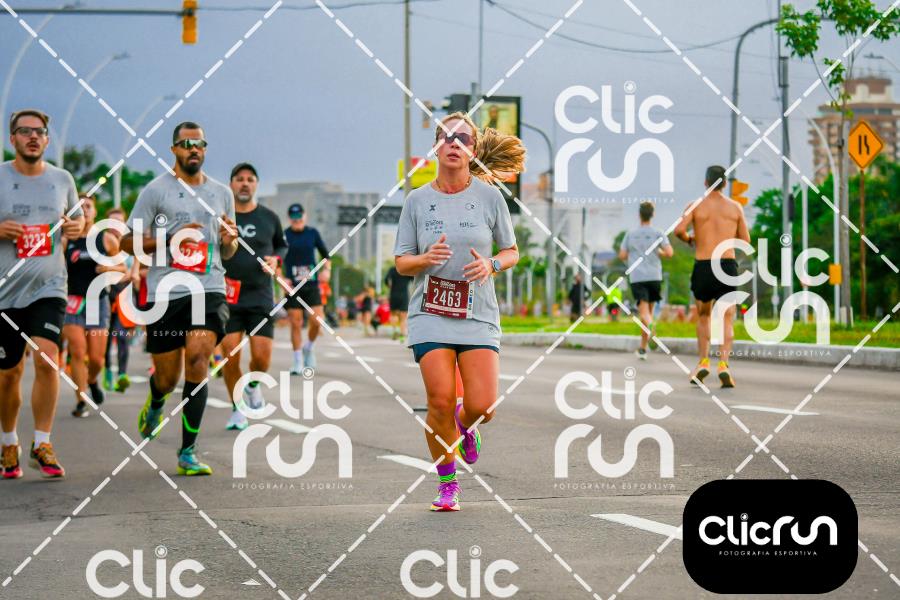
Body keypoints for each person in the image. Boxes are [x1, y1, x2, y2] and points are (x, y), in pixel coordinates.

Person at [394, 112, 523, 511]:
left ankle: (465, 426)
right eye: (446, 136)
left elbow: (511, 251)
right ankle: (447, 482)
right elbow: (401, 262)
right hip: (430, 313)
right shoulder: (417, 200)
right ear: (435, 146)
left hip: (477, 312)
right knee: (440, 400)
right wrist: (424, 259)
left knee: (483, 405)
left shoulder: (490, 197)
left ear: (473, 149)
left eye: (463, 138)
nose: (454, 143)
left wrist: (492, 265)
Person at [121, 121, 238, 476]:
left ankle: (188, 451)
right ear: (173, 149)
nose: (194, 149)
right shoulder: (156, 191)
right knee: (167, 377)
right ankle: (157, 400)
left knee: (199, 358)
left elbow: (228, 251)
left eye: (199, 143)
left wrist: (229, 239)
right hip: (166, 292)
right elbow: (126, 242)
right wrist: (170, 238)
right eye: (186, 144)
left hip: (209, 287)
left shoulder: (221, 193)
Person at [0, 109, 83, 479]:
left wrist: (78, 226)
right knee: (8, 373)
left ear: (47, 139)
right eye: (25, 131)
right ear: (12, 139)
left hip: (49, 286)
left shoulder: (62, 179)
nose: (33, 136)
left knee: (48, 359)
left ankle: (42, 443)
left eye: (39, 132)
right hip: (5, 291)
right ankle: (8, 442)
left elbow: (78, 220)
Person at [220, 163, 287, 431]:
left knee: (261, 358)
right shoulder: (223, 218)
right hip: (228, 295)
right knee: (230, 355)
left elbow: (281, 245)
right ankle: (237, 409)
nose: (245, 183)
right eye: (239, 179)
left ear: (256, 184)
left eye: (250, 179)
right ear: (231, 184)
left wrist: (276, 259)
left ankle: (253, 384)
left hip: (260, 295)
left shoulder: (269, 217)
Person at [674, 165, 750, 387]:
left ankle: (703, 362)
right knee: (727, 316)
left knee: (704, 315)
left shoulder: (695, 205)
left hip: (704, 265)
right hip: (726, 265)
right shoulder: (735, 207)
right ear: (725, 183)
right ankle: (723, 365)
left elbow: (678, 230)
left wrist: (690, 240)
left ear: (706, 182)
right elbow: (745, 240)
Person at [63, 196, 124, 417]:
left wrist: (108, 269)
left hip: (98, 302)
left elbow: (122, 269)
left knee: (97, 359)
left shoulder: (106, 239)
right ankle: (81, 400)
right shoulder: (66, 241)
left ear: (95, 212)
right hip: (72, 302)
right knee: (78, 352)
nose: (84, 210)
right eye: (79, 207)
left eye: (88, 206)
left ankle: (92, 380)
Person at [618, 201, 673, 359]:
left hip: (638, 277)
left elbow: (622, 255)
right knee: (648, 313)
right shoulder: (658, 233)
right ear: (652, 215)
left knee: (644, 314)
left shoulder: (630, 234)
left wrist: (634, 254)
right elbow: (669, 253)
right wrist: (658, 252)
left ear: (639, 215)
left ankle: (651, 327)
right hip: (654, 276)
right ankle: (643, 348)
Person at [282, 203, 330, 373]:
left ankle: (308, 348)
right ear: (289, 218)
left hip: (311, 284)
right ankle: (297, 361)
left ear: (305, 216)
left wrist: (327, 270)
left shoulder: (312, 233)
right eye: (293, 217)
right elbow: (276, 258)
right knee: (296, 323)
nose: (297, 220)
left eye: (299, 216)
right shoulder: (284, 235)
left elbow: (326, 255)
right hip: (292, 286)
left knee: (317, 321)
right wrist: (281, 278)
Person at [103, 207, 140, 393]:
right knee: (106, 338)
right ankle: (107, 371)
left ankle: (122, 375)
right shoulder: (102, 244)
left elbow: (134, 268)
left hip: (124, 295)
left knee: (122, 336)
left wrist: (132, 273)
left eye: (119, 221)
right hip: (106, 295)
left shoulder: (130, 245)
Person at [384, 265, 412, 340]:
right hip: (403, 295)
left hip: (393, 294)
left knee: (393, 314)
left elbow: (386, 280)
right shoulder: (406, 269)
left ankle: (394, 331)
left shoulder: (392, 269)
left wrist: (390, 286)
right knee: (403, 316)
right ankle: (402, 334)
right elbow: (413, 279)